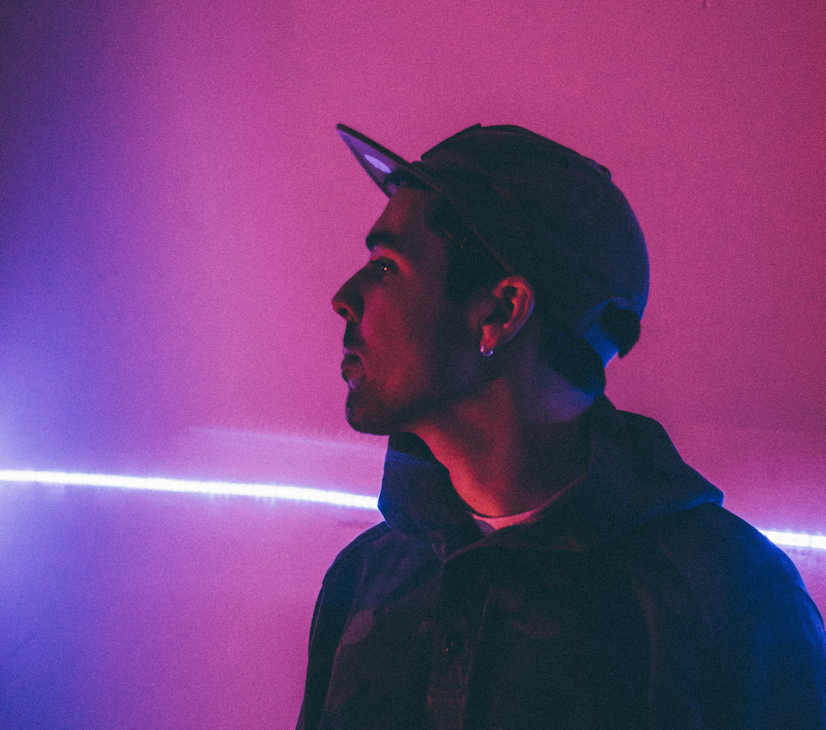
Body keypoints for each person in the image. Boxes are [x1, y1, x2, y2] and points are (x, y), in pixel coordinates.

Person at [297, 123, 826, 730]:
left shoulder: (729, 599)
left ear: (501, 311)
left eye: (387, 267)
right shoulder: (364, 578)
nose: (344, 297)